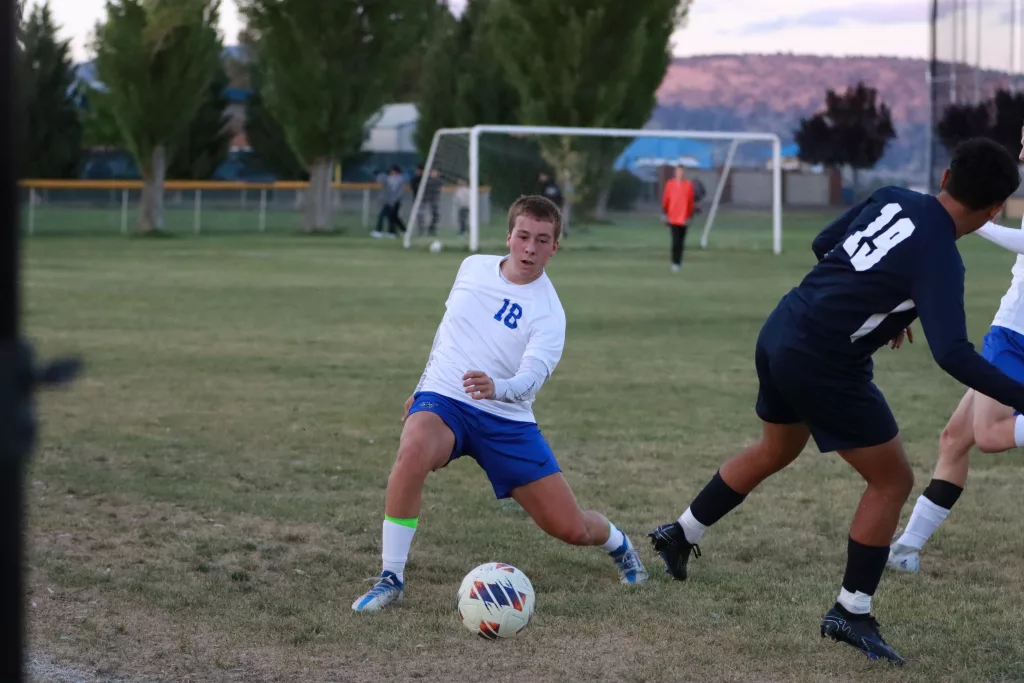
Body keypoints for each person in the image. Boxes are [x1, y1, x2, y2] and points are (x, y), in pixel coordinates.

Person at [647, 138, 1023, 666]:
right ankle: (852, 609)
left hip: (782, 327)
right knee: (892, 480)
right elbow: (954, 354)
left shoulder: (892, 195)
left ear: (944, 178)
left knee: (775, 449)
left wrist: (875, 301)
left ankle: (680, 532)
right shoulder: (942, 257)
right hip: (824, 360)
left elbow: (826, 242)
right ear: (995, 208)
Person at [352, 195, 648, 613]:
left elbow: (531, 378)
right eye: (523, 236)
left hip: (506, 418)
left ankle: (620, 545)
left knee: (571, 527)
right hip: (446, 398)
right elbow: (447, 333)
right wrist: (422, 386)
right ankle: (391, 578)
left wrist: (498, 388)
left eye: (542, 240)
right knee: (413, 449)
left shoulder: (549, 313)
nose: (530, 248)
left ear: (554, 248)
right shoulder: (471, 267)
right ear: (508, 236)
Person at [889, 127, 1024, 574]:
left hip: (1016, 337)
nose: (1021, 148)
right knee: (954, 440)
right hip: (1008, 330)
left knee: (988, 436)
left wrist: (971, 219)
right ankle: (906, 549)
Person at [662, 165, 696, 272]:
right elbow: (666, 200)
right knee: (675, 240)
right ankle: (674, 262)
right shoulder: (670, 184)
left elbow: (690, 202)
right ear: (675, 172)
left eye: (681, 171)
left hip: (684, 217)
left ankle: (679, 262)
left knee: (681, 241)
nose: (679, 173)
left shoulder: (688, 185)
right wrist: (665, 214)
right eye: (678, 171)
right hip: (673, 217)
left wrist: (690, 216)